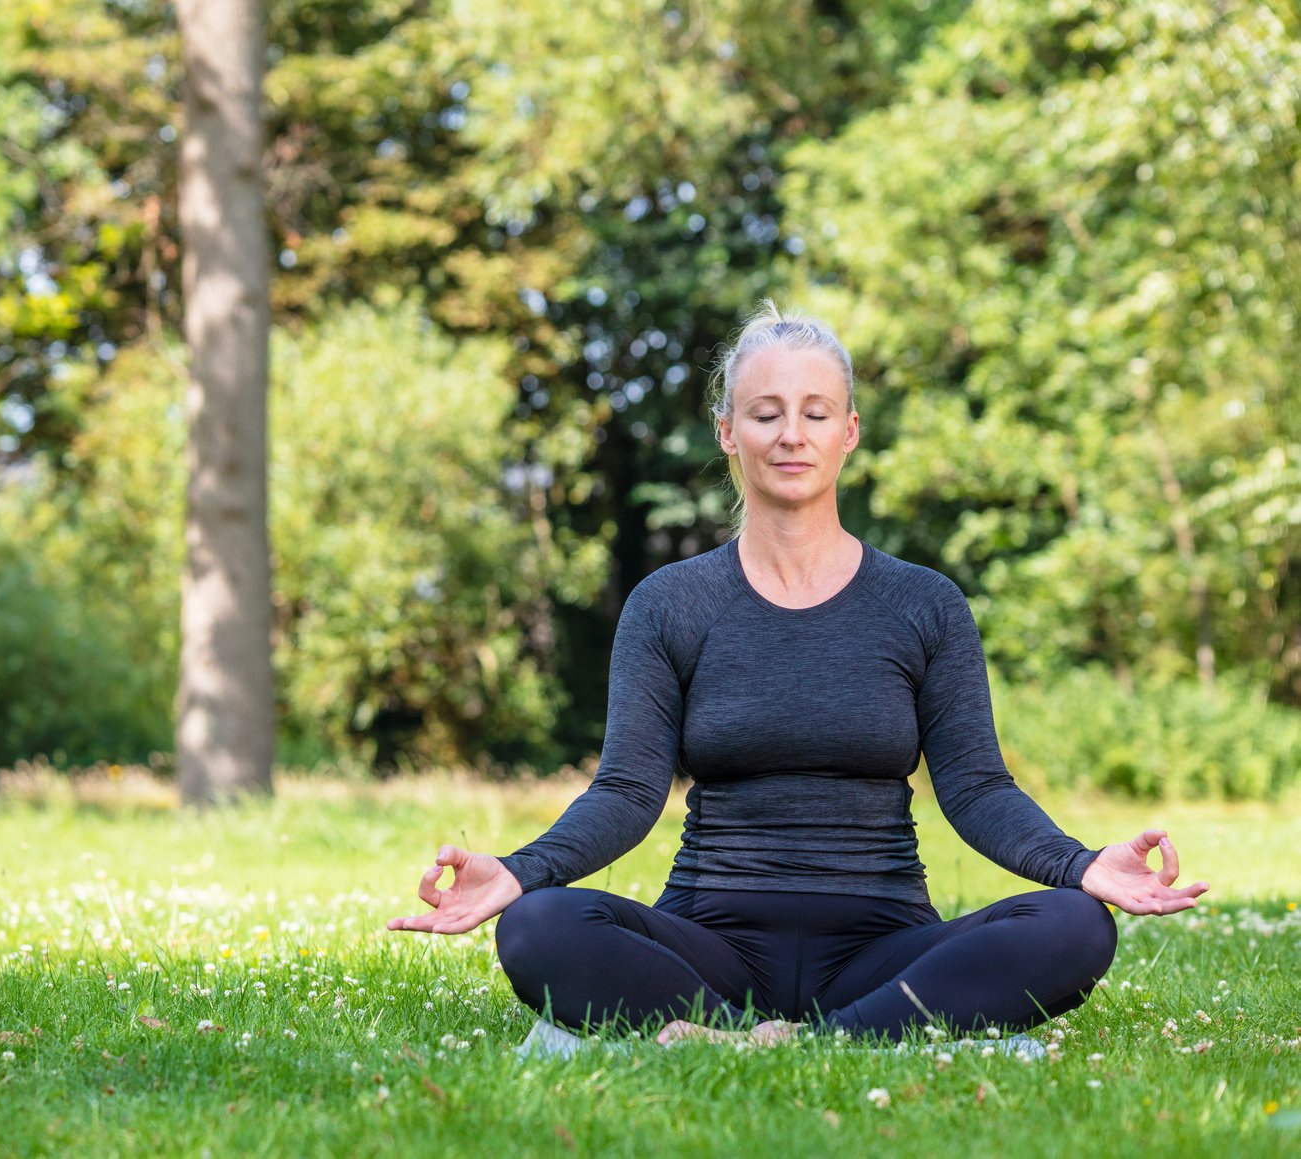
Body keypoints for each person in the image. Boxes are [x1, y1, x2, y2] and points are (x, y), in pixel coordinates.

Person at [386, 302, 1208, 1046]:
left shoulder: (925, 604)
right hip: (709, 945)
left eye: (816, 413)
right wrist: (523, 870)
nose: (791, 434)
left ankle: (796, 1040)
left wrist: (1080, 864)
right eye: (766, 413)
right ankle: (819, 1034)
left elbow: (977, 788)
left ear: (848, 431)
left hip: (882, 948)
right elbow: (628, 791)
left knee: (1073, 926)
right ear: (727, 432)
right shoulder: (669, 604)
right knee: (538, 928)